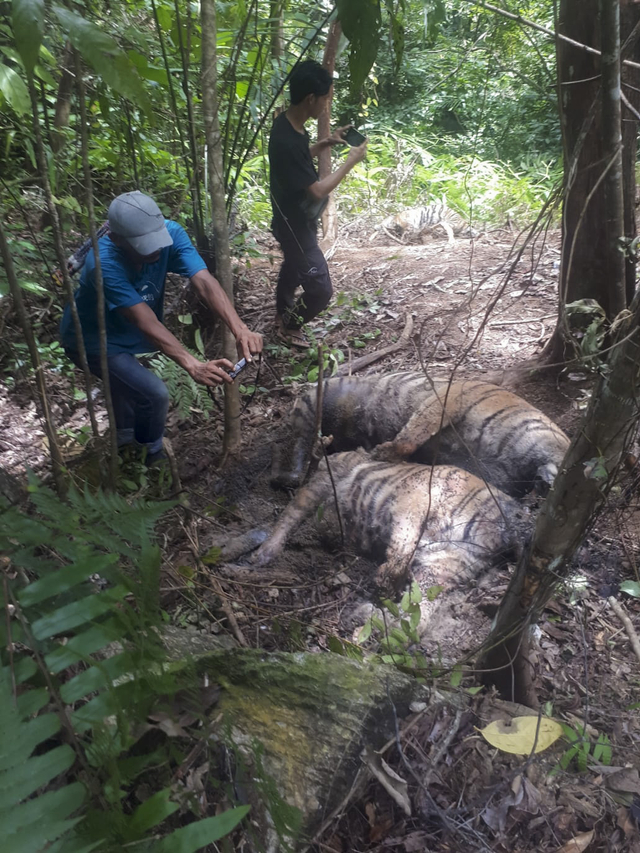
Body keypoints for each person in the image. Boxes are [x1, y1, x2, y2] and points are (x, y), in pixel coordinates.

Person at [60, 191, 263, 464]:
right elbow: (144, 321)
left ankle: (125, 447)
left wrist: (240, 329)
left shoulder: (172, 233)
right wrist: (192, 364)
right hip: (92, 340)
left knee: (124, 388)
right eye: (145, 245)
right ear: (118, 239)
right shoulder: (103, 264)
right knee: (153, 395)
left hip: (123, 332)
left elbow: (204, 282)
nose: (155, 249)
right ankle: (150, 459)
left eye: (157, 240)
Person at [268, 59, 367, 348]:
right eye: (325, 99)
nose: (326, 105)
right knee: (321, 290)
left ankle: (282, 313)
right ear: (311, 98)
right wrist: (350, 162)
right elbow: (317, 191)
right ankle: (289, 326)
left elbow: (296, 162)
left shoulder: (288, 125)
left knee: (293, 266)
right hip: (295, 225)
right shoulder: (288, 138)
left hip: (291, 218)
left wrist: (325, 143)